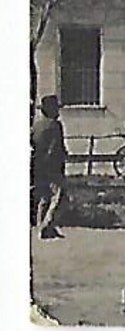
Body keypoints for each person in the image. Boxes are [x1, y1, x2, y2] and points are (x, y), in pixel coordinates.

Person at [31, 95, 67, 240]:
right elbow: (55, 147)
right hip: (53, 166)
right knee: (59, 196)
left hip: (38, 166)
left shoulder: (37, 125)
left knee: (45, 197)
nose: (58, 111)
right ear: (51, 110)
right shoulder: (55, 125)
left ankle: (44, 227)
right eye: (56, 108)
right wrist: (63, 156)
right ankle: (47, 225)